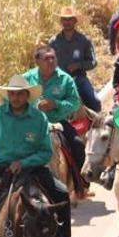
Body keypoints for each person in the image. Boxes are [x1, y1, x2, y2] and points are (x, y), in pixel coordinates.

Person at [0, 74, 74, 237]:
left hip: (33, 169)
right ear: (8, 95)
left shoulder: (38, 118)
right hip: (1, 170)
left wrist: (24, 162)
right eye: (12, 94)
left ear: (27, 95)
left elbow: (46, 151)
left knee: (61, 193)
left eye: (20, 94)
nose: (16, 98)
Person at [24, 44, 87, 199]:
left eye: (53, 57)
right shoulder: (26, 78)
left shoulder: (65, 79)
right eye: (47, 58)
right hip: (31, 123)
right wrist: (35, 106)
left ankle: (80, 184)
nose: (51, 61)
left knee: (78, 145)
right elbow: (16, 100)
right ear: (37, 61)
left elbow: (75, 102)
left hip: (58, 122)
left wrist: (55, 105)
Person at [49, 6, 100, 113]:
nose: (67, 22)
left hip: (79, 79)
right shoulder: (53, 42)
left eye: (70, 19)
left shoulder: (84, 40)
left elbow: (93, 62)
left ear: (75, 21)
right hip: (60, 82)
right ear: (61, 21)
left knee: (95, 102)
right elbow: (47, 64)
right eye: (64, 19)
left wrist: (79, 65)